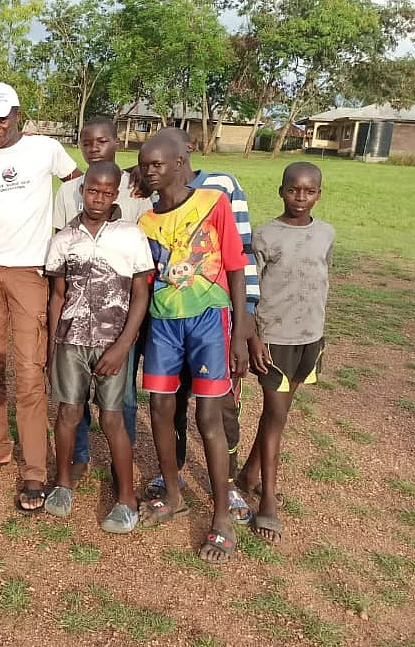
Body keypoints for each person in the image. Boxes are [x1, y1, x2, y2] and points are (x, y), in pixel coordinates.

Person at [0, 82, 80, 513]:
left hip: (30, 271)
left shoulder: (45, 149)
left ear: (17, 114)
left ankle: (34, 470)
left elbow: (78, 187)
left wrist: (67, 241)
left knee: (29, 370)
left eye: (0, 117)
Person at [136, 130, 249, 563]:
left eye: (157, 164)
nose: (149, 171)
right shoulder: (146, 222)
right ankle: (173, 492)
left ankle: (221, 516)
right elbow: (147, 280)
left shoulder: (213, 204)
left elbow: (235, 266)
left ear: (180, 163)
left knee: (208, 417)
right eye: (144, 165)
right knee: (160, 408)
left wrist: (241, 330)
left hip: (208, 321)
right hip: (164, 323)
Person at [43, 162, 152, 530]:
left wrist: (124, 345)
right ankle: (62, 484)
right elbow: (58, 295)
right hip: (71, 340)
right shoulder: (63, 240)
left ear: (116, 194)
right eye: (93, 191)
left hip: (113, 344)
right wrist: (52, 346)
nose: (99, 199)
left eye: (107, 193)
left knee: (112, 418)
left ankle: (126, 499)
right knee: (68, 412)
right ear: (82, 190)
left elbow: (140, 294)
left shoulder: (131, 235)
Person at [237, 163, 333, 545]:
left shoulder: (325, 234)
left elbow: (322, 279)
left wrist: (319, 333)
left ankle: (249, 474)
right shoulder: (265, 236)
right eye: (293, 190)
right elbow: (249, 291)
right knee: (276, 415)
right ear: (281, 191)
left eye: (309, 191)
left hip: (309, 337)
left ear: (319, 194)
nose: (300, 197)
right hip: (273, 340)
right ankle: (268, 502)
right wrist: (253, 338)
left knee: (279, 414)